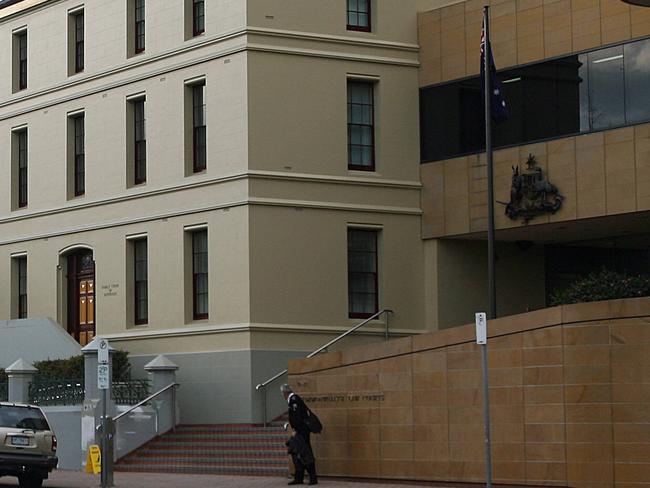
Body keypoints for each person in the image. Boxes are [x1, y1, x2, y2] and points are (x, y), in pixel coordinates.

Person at [281, 384, 318, 485]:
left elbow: (297, 416)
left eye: (282, 393)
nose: (282, 396)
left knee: (305, 453)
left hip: (301, 431)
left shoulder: (294, 399)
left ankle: (312, 477)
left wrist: (296, 430)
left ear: (285, 393)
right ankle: (299, 477)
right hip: (300, 430)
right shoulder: (292, 399)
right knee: (297, 453)